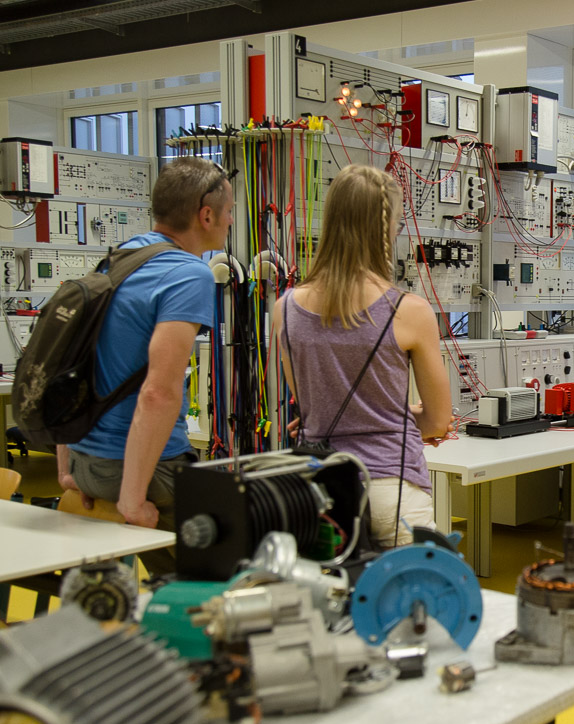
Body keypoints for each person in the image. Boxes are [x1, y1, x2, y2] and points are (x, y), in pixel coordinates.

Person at [274, 164, 452, 549]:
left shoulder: (284, 309)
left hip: (319, 491)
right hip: (391, 490)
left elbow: (309, 406)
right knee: (419, 603)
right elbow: (438, 421)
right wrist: (403, 420)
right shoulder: (409, 310)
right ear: (386, 229)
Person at [58, 157, 231, 543]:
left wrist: (67, 469)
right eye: (229, 212)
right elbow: (158, 394)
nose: (230, 221)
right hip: (141, 475)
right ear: (206, 215)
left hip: (87, 464)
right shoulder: (188, 274)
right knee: (227, 566)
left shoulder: (115, 261)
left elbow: (68, 365)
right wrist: (132, 502)